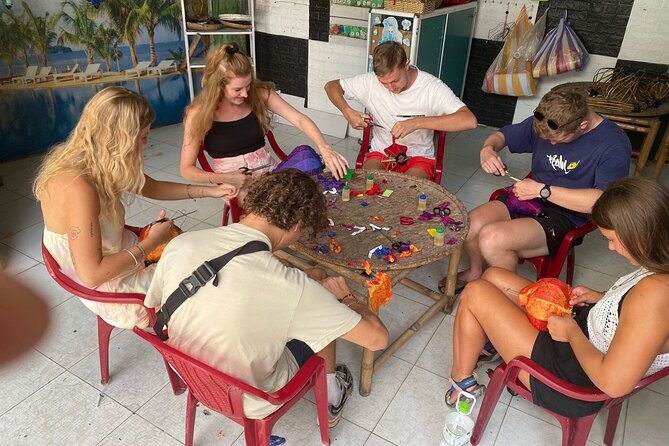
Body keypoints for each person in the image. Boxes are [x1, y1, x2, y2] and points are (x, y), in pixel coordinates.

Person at [144, 169, 389, 427]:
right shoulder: (295, 289)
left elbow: (157, 305)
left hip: (188, 370)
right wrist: (346, 297)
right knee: (323, 310)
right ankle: (332, 396)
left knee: (313, 281)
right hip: (248, 396)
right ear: (296, 226)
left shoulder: (183, 243)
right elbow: (377, 339)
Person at [445, 176, 669, 417]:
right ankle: (491, 339)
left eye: (612, 239)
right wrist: (604, 298)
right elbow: (642, 320)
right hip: (585, 335)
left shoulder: (656, 294)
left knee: (475, 292)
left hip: (574, 377)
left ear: (639, 235)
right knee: (494, 277)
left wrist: (570, 332)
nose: (611, 248)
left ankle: (461, 381)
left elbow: (613, 384)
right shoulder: (660, 266)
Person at [33, 87, 237, 330]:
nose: (146, 143)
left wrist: (210, 191)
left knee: (202, 258)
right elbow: (92, 276)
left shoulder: (93, 158)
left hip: (117, 253)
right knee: (208, 281)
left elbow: (150, 187)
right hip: (110, 286)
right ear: (120, 140)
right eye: (142, 137)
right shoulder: (79, 188)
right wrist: (149, 244)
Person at [440, 90, 631, 301]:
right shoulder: (546, 119)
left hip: (565, 215)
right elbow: (502, 135)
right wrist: (487, 149)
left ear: (582, 126)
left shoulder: (613, 144)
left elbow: (602, 202)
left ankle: (504, 301)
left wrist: (543, 190)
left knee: (492, 239)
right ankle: (476, 272)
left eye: (558, 140)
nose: (552, 144)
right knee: (470, 225)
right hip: (527, 198)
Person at [180, 42, 349, 194]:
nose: (245, 94)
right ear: (218, 86)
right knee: (277, 208)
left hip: (270, 174)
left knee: (308, 157)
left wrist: (325, 148)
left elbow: (299, 119)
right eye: (237, 89)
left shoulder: (258, 94)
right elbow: (186, 169)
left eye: (248, 86)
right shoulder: (198, 113)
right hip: (236, 185)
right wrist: (221, 178)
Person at [324, 41, 477, 179]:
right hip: (381, 154)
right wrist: (347, 111)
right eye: (384, 83)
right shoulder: (370, 82)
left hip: (418, 158)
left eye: (395, 80)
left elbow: (469, 120)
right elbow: (331, 86)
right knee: (366, 185)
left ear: (407, 65)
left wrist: (417, 123)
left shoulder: (431, 87)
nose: (391, 88)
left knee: (408, 191)